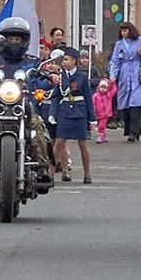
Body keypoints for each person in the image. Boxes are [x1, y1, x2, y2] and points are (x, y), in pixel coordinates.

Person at [46, 47, 95, 183]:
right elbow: (56, 97)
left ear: (74, 61)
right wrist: (52, 113)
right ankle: (51, 173)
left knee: (82, 144)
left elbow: (88, 97)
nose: (64, 62)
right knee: (59, 143)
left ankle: (87, 173)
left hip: (79, 113)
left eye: (67, 60)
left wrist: (92, 117)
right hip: (65, 112)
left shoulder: (82, 77)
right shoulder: (60, 77)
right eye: (64, 60)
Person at [109, 24, 141, 140]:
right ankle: (129, 129)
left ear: (130, 30)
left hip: (137, 72)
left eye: (125, 30)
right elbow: (115, 61)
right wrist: (113, 76)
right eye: (122, 31)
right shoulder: (119, 44)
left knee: (136, 103)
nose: (123, 33)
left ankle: (134, 132)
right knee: (125, 103)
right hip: (125, 73)